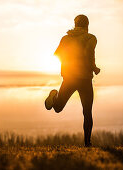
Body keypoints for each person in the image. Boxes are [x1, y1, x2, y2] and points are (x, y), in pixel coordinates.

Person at [45, 14, 100, 147]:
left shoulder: (66, 38)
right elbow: (88, 53)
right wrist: (94, 68)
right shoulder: (91, 38)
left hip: (69, 78)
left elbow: (57, 54)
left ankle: (53, 96)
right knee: (87, 112)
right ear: (87, 25)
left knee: (58, 108)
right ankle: (87, 143)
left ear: (75, 25)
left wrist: (68, 65)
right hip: (85, 79)